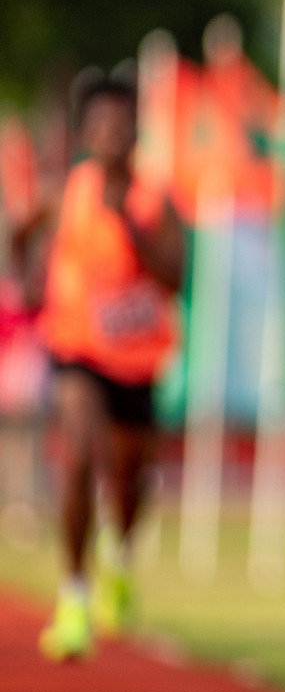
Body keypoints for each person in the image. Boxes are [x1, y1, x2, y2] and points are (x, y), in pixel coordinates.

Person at [36, 68, 184, 660]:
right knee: (77, 453)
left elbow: (175, 277)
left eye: (122, 124)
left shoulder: (155, 200)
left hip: (138, 360)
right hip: (77, 348)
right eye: (100, 125)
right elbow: (23, 233)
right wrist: (25, 272)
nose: (112, 134)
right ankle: (73, 595)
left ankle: (117, 555)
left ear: (137, 132)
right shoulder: (65, 192)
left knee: (130, 476)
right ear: (85, 135)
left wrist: (128, 223)